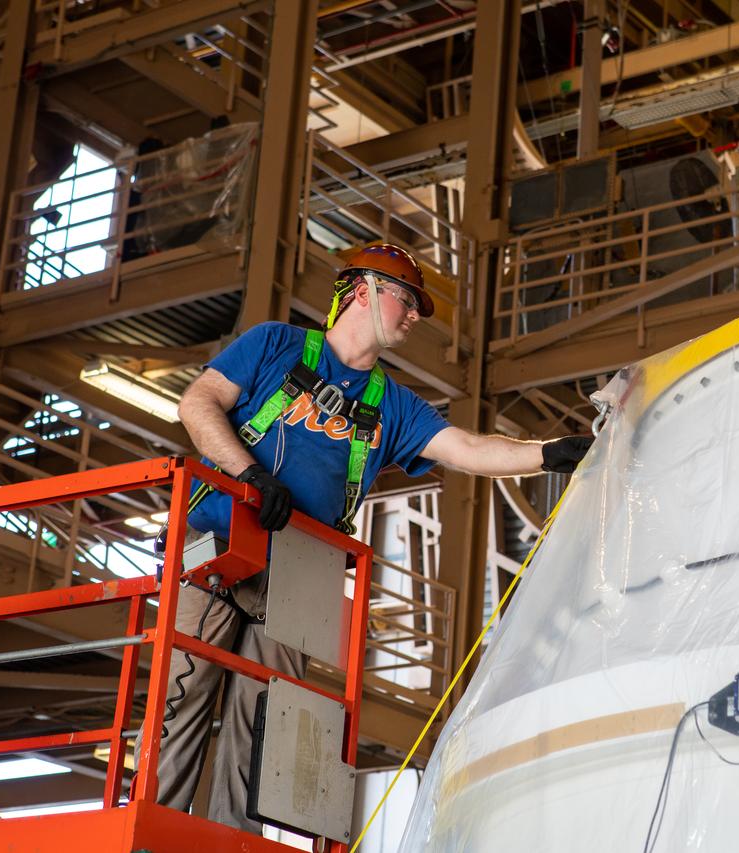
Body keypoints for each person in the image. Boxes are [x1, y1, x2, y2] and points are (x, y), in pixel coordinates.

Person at [157, 243, 593, 832]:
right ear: (363, 290)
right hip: (217, 544)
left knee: (265, 715)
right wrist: (249, 473)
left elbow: (464, 448)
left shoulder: (393, 405)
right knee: (181, 697)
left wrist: (545, 455)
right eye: (407, 301)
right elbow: (198, 403)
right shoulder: (274, 346)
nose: (414, 317)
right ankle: (151, 832)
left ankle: (238, 843)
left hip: (297, 570)